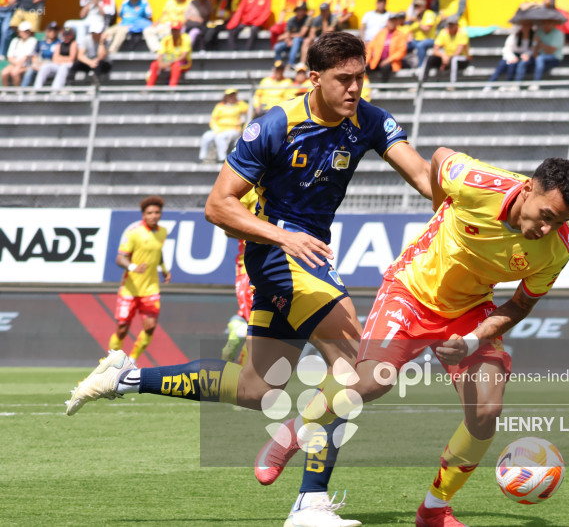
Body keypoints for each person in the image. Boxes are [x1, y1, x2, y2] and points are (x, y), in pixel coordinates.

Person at [65, 31, 432, 527]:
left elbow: (424, 178)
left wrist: (487, 196)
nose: (354, 89)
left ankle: (126, 377)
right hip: (279, 254)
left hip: (304, 255)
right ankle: (310, 503)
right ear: (314, 78)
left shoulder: (368, 119)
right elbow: (218, 205)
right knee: (356, 364)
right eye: (343, 79)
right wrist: (283, 237)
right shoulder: (274, 126)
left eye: (360, 78)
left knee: (259, 388)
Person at [345, 149, 569, 526]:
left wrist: (472, 340)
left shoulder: (559, 248)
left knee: (486, 412)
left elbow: (520, 305)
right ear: (527, 190)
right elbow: (439, 158)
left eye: (561, 222)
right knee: (371, 384)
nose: (548, 229)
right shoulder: (478, 183)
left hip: (470, 308)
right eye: (546, 217)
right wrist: (444, 211)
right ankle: (294, 431)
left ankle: (434, 509)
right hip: (412, 290)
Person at [107, 195, 172, 364]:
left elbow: (157, 252)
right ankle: (111, 361)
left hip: (151, 289)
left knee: (150, 327)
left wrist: (164, 270)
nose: (154, 216)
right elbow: (120, 258)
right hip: (130, 288)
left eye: (157, 212)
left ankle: (132, 360)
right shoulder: (133, 232)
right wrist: (133, 267)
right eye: (150, 212)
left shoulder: (162, 232)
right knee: (122, 329)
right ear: (143, 214)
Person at [220, 188, 259, 364]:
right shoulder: (248, 190)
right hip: (250, 267)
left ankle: (237, 328)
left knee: (262, 326)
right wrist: (261, 232)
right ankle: (241, 378)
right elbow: (228, 227)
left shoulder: (281, 184)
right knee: (258, 327)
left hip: (279, 263)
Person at [198, 88, 248, 163]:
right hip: (219, 129)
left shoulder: (240, 104)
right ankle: (202, 157)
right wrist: (216, 129)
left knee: (220, 137)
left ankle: (222, 158)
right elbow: (213, 119)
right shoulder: (219, 106)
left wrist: (245, 127)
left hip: (233, 129)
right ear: (226, 96)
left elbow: (250, 114)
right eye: (229, 95)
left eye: (233, 95)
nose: (231, 97)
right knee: (206, 136)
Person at [485, 19, 534, 86]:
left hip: (525, 57)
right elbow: (507, 49)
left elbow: (533, 49)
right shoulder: (515, 36)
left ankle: (513, 84)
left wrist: (527, 54)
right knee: (504, 64)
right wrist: (512, 57)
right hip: (513, 55)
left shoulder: (534, 37)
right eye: (524, 25)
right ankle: (490, 84)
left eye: (528, 26)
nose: (526, 28)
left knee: (521, 64)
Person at [423, 15, 469, 84]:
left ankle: (452, 84)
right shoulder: (443, 32)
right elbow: (435, 50)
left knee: (454, 60)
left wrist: (447, 58)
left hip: (462, 58)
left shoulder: (462, 33)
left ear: (456, 25)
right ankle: (422, 82)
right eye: (449, 24)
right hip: (447, 58)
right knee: (430, 58)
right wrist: (443, 56)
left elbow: (458, 51)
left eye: (452, 24)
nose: (450, 27)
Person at [146, 21, 191, 87]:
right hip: (168, 60)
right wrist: (160, 63)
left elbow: (183, 56)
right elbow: (160, 54)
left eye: (176, 30)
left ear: (180, 30)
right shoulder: (166, 39)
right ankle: (149, 87)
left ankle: (172, 87)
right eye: (173, 30)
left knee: (176, 65)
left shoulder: (185, 38)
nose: (174, 32)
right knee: (154, 64)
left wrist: (169, 63)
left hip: (183, 62)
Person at [365, 12, 407, 82]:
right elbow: (370, 46)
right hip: (378, 60)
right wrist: (367, 60)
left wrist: (388, 60)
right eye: (390, 21)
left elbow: (402, 51)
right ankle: (369, 87)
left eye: (394, 21)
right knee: (365, 68)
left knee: (385, 68)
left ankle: (383, 89)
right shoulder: (381, 33)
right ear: (387, 22)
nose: (392, 23)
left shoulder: (400, 34)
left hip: (392, 62)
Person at [34, 26, 78, 90]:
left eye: (68, 34)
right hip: (59, 64)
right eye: (65, 34)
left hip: (69, 66)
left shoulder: (74, 44)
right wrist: (65, 58)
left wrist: (60, 58)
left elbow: (71, 59)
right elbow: (54, 58)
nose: (66, 36)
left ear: (72, 35)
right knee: (45, 66)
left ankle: (55, 89)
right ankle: (37, 88)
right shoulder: (59, 44)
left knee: (64, 67)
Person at [22, 20, 59, 88]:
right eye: (50, 30)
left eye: (54, 30)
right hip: (41, 63)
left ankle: (37, 89)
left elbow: (57, 58)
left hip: (53, 64)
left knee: (45, 68)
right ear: (47, 31)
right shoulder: (41, 42)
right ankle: (22, 91)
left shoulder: (59, 43)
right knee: (30, 70)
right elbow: (34, 56)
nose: (52, 32)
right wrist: (36, 65)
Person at [273, 0, 311, 65]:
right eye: (298, 10)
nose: (299, 12)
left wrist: (289, 36)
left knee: (296, 40)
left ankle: (290, 63)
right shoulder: (291, 20)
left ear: (305, 11)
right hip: (291, 41)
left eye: (301, 10)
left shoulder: (308, 19)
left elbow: (302, 34)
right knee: (277, 47)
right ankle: (278, 65)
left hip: (303, 42)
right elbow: (287, 32)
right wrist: (288, 40)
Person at [1, 20, 36, 87]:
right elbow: (10, 57)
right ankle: (5, 92)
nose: (26, 33)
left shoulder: (32, 40)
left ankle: (17, 92)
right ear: (19, 32)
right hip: (14, 64)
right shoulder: (15, 41)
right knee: (4, 73)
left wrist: (17, 66)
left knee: (15, 73)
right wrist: (16, 65)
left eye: (27, 31)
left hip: (27, 65)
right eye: (24, 31)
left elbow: (26, 57)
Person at [406, 0, 438, 67]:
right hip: (417, 40)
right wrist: (410, 35)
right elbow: (409, 29)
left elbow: (427, 30)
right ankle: (404, 65)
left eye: (418, 6)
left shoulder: (429, 14)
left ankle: (421, 67)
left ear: (424, 7)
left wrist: (418, 21)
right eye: (415, 6)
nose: (416, 8)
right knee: (404, 45)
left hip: (430, 39)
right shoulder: (416, 16)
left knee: (420, 45)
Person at [530, 18, 564, 85]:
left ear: (553, 24)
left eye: (548, 23)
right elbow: (534, 49)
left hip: (554, 58)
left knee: (540, 59)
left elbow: (550, 51)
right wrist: (535, 47)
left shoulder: (558, 34)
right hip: (540, 57)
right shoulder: (539, 32)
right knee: (523, 62)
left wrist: (540, 43)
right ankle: (515, 84)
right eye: (544, 23)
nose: (546, 25)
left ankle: (536, 83)